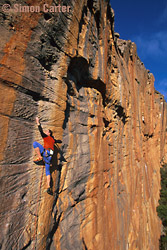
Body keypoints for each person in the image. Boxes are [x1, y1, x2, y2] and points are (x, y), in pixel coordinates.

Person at [33, 117, 55, 195]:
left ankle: (39, 156)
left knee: (35, 143)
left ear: (49, 133)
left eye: (47, 131)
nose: (45, 132)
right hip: (49, 158)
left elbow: (40, 131)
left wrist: (38, 122)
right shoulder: (52, 140)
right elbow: (59, 141)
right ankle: (48, 186)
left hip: (46, 153)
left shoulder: (47, 137)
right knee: (48, 172)